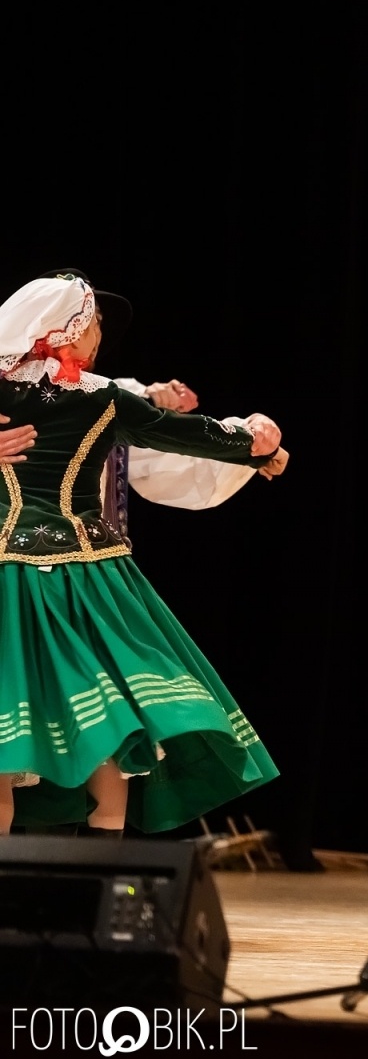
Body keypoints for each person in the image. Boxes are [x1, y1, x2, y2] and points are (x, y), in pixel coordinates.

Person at [0, 273, 282, 836]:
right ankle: (102, 873)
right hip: (83, 578)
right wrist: (254, 440)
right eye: (93, 322)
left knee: (8, 734)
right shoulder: (100, 398)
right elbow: (186, 434)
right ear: (68, 329)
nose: (98, 334)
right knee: (111, 716)